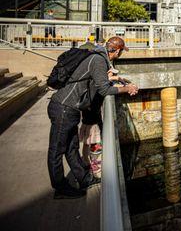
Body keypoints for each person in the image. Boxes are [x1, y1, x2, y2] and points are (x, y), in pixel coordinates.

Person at [47, 36, 139, 199]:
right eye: (120, 53)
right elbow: (104, 90)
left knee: (71, 147)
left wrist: (115, 79)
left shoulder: (97, 56)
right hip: (63, 108)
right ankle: (60, 188)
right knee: (57, 150)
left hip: (70, 109)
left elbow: (95, 80)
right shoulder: (98, 59)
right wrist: (128, 88)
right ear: (117, 51)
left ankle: (84, 178)